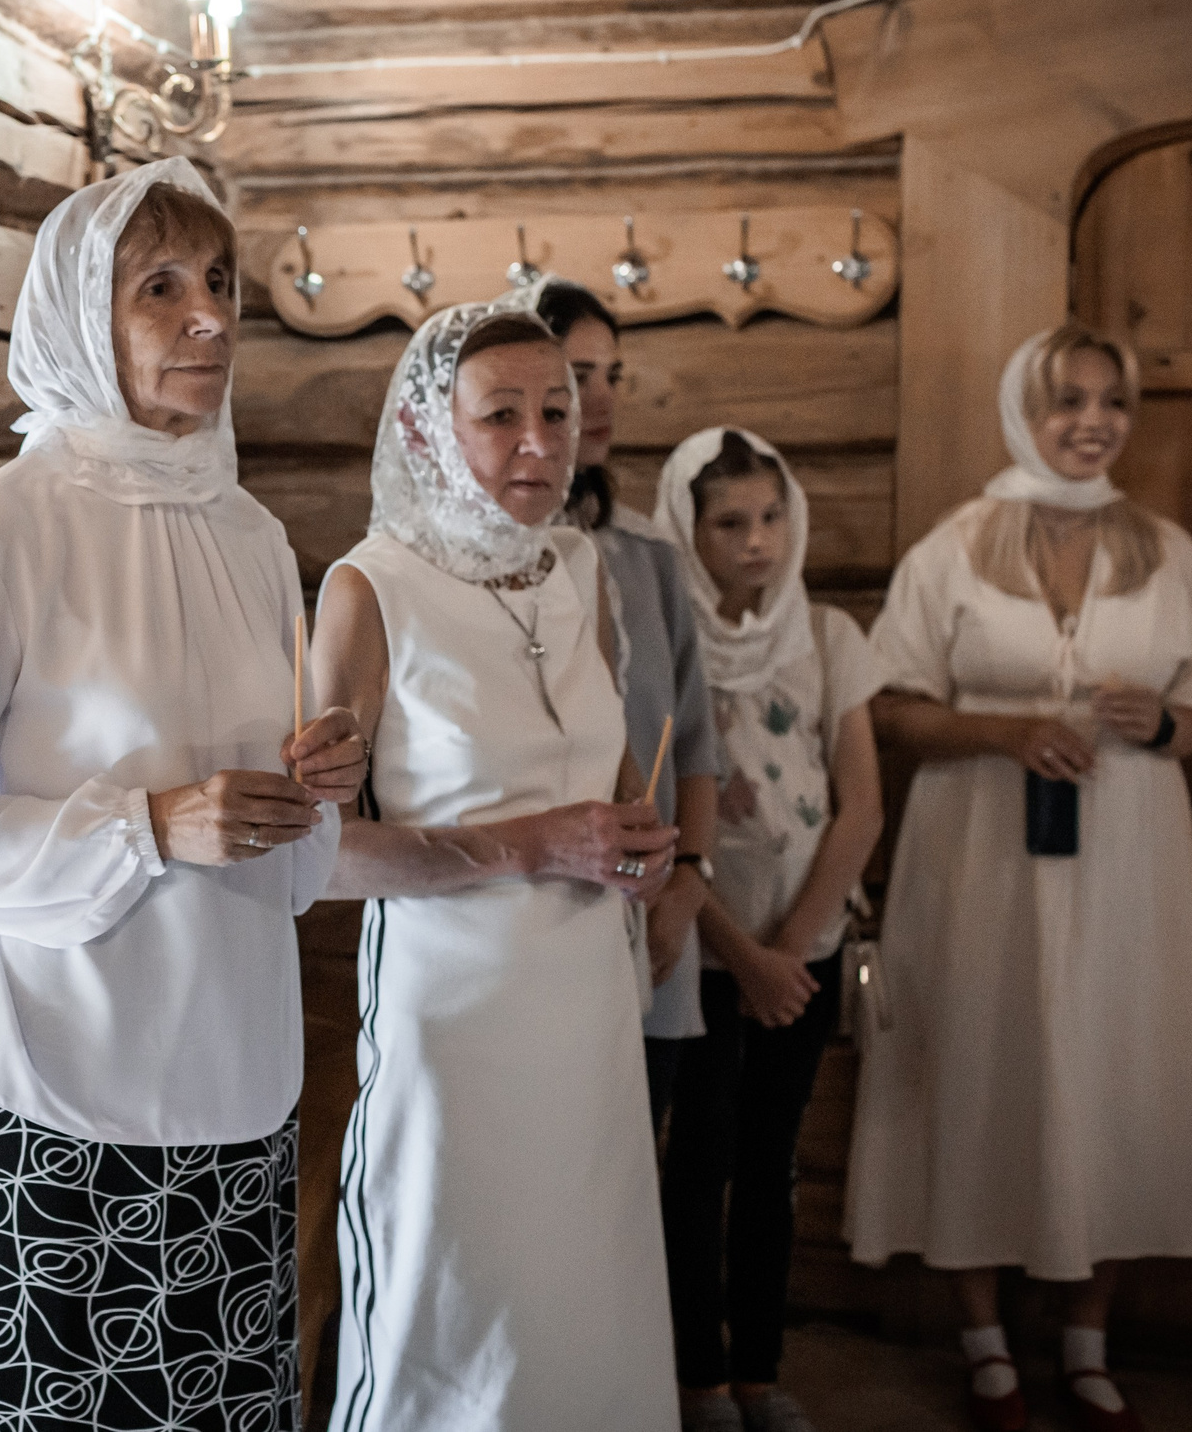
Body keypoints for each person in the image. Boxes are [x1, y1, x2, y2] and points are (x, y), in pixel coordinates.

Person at [0, 159, 366, 1432]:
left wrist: (320, 786)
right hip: (59, 1096)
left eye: (219, 284)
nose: (208, 317)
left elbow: (286, 850)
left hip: (238, 1087)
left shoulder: (249, 536)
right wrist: (146, 826)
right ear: (84, 317)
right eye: (160, 288)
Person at [844, 327, 1192, 1432]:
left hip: (1128, 857)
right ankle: (982, 1339)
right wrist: (1006, 730)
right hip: (977, 852)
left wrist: (1164, 720)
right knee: (983, 1055)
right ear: (1021, 409)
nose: (1091, 422)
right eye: (1066, 400)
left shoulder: (1168, 552)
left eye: (1110, 402)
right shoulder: (954, 546)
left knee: (1119, 1066)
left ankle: (1086, 1340)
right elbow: (887, 708)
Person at [314, 289, 681, 1432]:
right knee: (456, 1315)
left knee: (585, 1302)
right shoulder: (369, 587)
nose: (539, 443)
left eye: (557, 411)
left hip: (586, 1013)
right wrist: (532, 846)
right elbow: (318, 857)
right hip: (454, 1026)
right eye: (499, 416)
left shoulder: (576, 570)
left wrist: (643, 849)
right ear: (427, 429)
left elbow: (614, 782)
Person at [652, 429, 883, 1432]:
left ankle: (760, 1369)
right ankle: (697, 1379)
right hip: (705, 955)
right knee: (696, 1161)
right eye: (729, 522)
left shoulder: (828, 636)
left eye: (771, 516)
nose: (757, 541)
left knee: (771, 1163)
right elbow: (659, 819)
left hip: (803, 954)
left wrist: (787, 951)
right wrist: (740, 955)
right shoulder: (670, 644)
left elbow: (860, 807)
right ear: (686, 532)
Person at [537, 279, 724, 1131]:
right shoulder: (484, 564)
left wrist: (688, 883)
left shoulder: (647, 553)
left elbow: (693, 739)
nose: (604, 396)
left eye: (614, 372)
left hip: (650, 912)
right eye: (580, 373)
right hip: (534, 909)